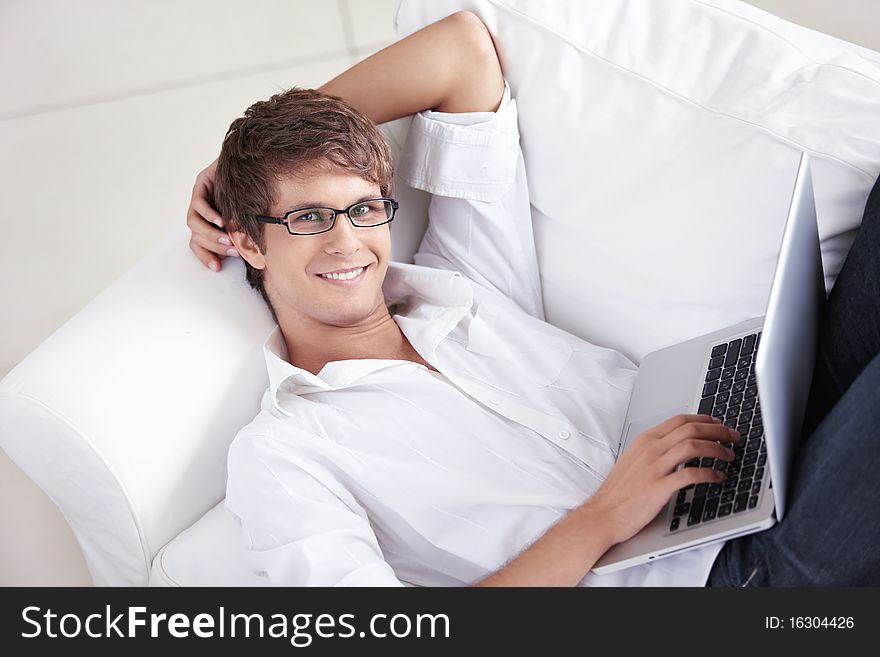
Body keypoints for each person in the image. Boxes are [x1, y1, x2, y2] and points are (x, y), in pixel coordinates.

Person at [186, 11, 880, 586]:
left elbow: (462, 52)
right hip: (724, 579)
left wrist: (238, 163)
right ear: (249, 242)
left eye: (365, 209)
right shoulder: (284, 453)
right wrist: (605, 514)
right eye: (308, 218)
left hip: (753, 450)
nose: (348, 244)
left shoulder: (463, 281)